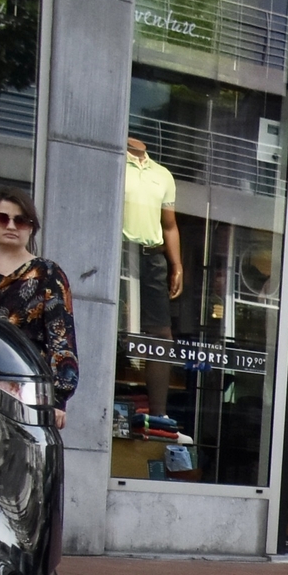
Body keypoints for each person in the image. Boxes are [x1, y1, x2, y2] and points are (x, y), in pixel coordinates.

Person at [0, 187, 75, 426]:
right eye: (2, 218)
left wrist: (58, 400)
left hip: (28, 392)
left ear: (31, 227)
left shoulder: (48, 273)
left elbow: (61, 338)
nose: (11, 226)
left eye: (20, 221)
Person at [123, 134, 184, 424]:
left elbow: (169, 225)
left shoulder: (163, 175)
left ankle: (159, 414)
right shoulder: (114, 163)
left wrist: (177, 264)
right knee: (114, 326)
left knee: (161, 336)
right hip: (119, 252)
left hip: (152, 256)